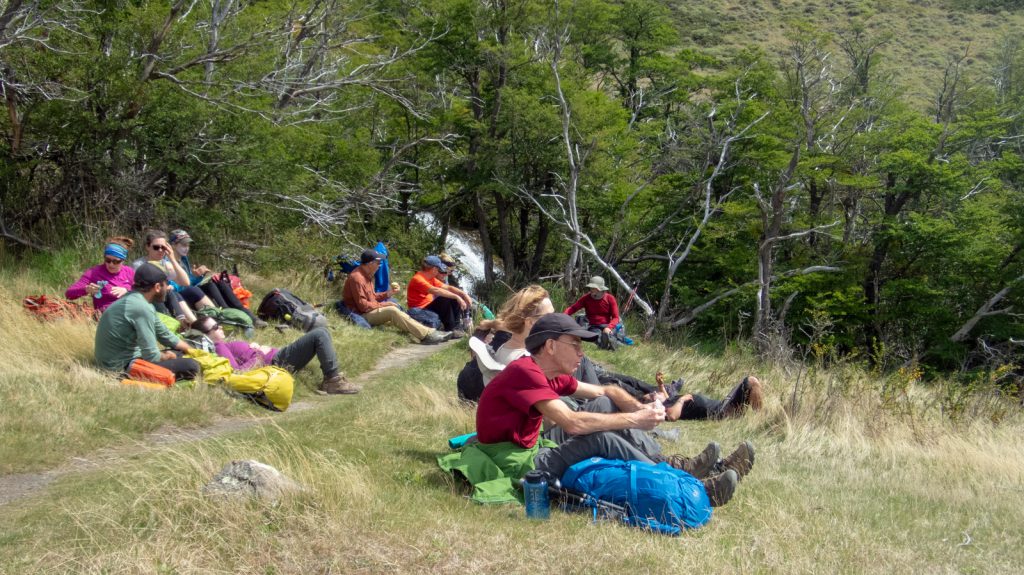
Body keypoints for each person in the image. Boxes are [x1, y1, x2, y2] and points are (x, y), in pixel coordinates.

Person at [444, 313, 753, 507]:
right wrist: (635, 419)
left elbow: (605, 391)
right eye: (575, 345)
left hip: (531, 446)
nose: (582, 354)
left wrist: (641, 408)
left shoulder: (547, 371)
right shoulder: (525, 372)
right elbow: (572, 423)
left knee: (604, 406)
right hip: (516, 463)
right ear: (550, 346)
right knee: (599, 437)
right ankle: (687, 486)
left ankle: (679, 465)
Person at [191, 316, 359, 394]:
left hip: (277, 357)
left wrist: (255, 349)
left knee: (322, 333)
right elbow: (236, 373)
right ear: (207, 335)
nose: (220, 327)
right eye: (215, 327)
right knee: (320, 333)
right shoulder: (219, 346)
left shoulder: (224, 344)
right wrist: (258, 355)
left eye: (219, 324)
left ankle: (332, 377)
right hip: (276, 362)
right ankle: (333, 380)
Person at [94, 263, 200, 381]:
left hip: (124, 360)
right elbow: (152, 356)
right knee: (192, 365)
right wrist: (168, 356)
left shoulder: (137, 300)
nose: (167, 289)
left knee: (183, 353)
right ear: (157, 287)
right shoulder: (141, 308)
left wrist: (195, 351)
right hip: (120, 368)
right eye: (166, 284)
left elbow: (165, 335)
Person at [342, 249, 450, 344]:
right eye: (378, 262)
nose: (380, 265)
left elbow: (372, 297)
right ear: (370, 263)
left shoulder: (366, 275)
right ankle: (427, 335)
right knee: (391, 310)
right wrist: (384, 304)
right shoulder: (357, 278)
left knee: (394, 305)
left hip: (366, 310)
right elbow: (363, 306)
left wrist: (389, 293)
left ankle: (427, 331)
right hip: (361, 315)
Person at [168, 229, 266, 328]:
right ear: (173, 245)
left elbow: (189, 282)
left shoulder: (183, 259)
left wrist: (197, 276)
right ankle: (227, 316)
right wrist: (191, 279)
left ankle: (250, 317)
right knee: (194, 290)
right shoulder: (167, 262)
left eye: (188, 245)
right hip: (180, 296)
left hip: (188, 291)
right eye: (183, 245)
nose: (187, 248)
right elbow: (177, 286)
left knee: (218, 284)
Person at [132, 230, 214, 326]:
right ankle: (193, 325)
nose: (160, 250)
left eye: (163, 247)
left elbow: (185, 282)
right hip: (148, 301)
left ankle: (205, 322)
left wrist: (172, 259)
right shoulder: (139, 265)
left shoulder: (165, 264)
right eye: (156, 247)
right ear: (147, 247)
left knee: (175, 292)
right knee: (170, 293)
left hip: (166, 298)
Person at [65, 237, 136, 314]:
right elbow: (69, 294)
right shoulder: (94, 272)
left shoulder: (129, 272)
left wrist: (127, 291)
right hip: (105, 314)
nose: (111, 264)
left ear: (123, 260)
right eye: (108, 260)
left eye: (115, 261)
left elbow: (142, 293)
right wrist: (86, 289)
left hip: (129, 312)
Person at [407, 255, 473, 337]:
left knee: (452, 297)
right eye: (439, 269)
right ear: (434, 269)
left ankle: (457, 327)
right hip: (419, 310)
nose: (440, 271)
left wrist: (463, 294)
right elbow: (436, 290)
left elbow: (448, 288)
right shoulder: (418, 279)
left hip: (428, 306)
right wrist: (457, 297)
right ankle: (451, 328)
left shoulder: (430, 278)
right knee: (444, 298)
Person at [564, 276, 621, 350]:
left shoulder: (610, 298)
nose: (591, 290)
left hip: (607, 325)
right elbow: (573, 308)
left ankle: (611, 342)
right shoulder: (586, 298)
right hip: (594, 326)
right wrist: (563, 316)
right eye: (591, 288)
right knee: (596, 335)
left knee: (609, 334)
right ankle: (605, 345)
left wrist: (608, 327)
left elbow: (616, 317)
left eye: (593, 288)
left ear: (599, 289)